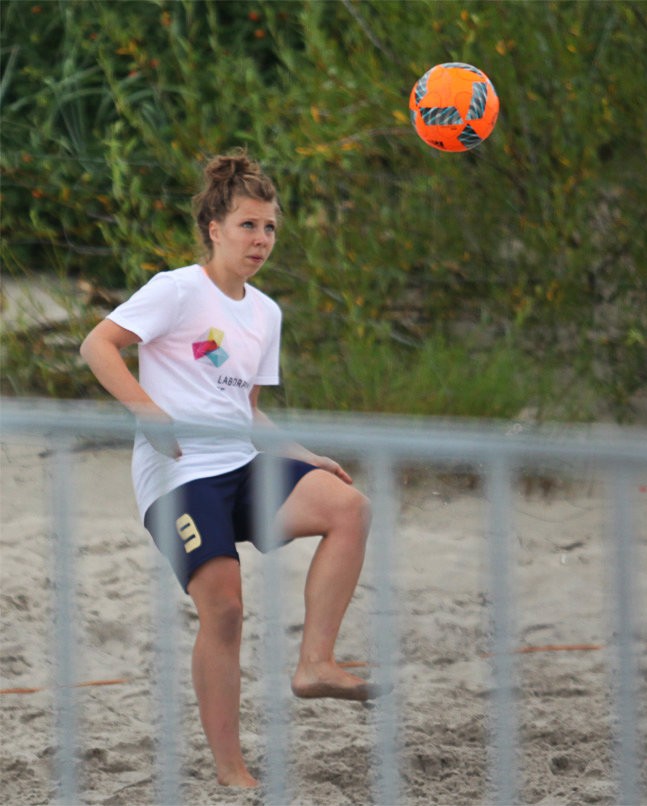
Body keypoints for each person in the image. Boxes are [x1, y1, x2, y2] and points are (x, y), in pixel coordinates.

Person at [80, 150, 374, 789]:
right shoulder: (176, 289)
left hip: (242, 465)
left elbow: (245, 411)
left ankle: (315, 663)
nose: (261, 239)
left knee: (348, 506)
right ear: (214, 228)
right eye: (248, 225)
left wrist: (302, 455)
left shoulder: (266, 312)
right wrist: (150, 414)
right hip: (179, 477)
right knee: (226, 610)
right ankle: (231, 769)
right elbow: (96, 345)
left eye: (269, 227)